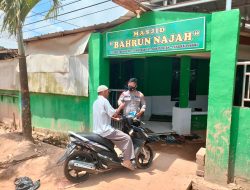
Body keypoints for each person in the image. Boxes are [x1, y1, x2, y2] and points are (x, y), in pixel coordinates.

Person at [93, 85, 135, 170]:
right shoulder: (105, 101)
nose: (108, 93)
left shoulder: (95, 102)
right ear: (104, 91)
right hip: (106, 130)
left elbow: (105, 114)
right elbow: (113, 113)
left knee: (119, 138)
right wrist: (121, 107)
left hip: (97, 130)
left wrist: (115, 118)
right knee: (127, 138)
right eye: (108, 91)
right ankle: (127, 161)